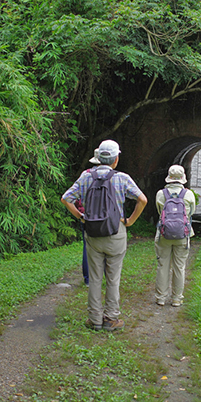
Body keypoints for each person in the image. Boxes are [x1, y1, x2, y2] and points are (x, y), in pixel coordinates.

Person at [61, 140, 147, 332]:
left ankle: (94, 319)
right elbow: (142, 199)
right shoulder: (122, 178)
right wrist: (130, 221)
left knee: (95, 277)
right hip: (115, 232)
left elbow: (66, 198)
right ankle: (111, 318)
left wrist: (81, 216)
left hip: (92, 233)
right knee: (113, 278)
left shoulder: (86, 177)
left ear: (98, 157)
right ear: (116, 159)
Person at [154, 165, 196, 307]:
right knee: (179, 267)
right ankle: (177, 298)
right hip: (182, 236)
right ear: (182, 178)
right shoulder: (188, 194)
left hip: (164, 234)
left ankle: (161, 297)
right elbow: (190, 214)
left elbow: (160, 212)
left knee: (162, 265)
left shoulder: (161, 194)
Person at [74, 149, 103, 287]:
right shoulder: (110, 175)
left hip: (86, 216)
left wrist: (79, 214)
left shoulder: (85, 175)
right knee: (104, 247)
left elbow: (72, 196)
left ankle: (87, 279)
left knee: (87, 247)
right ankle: (101, 277)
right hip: (104, 217)